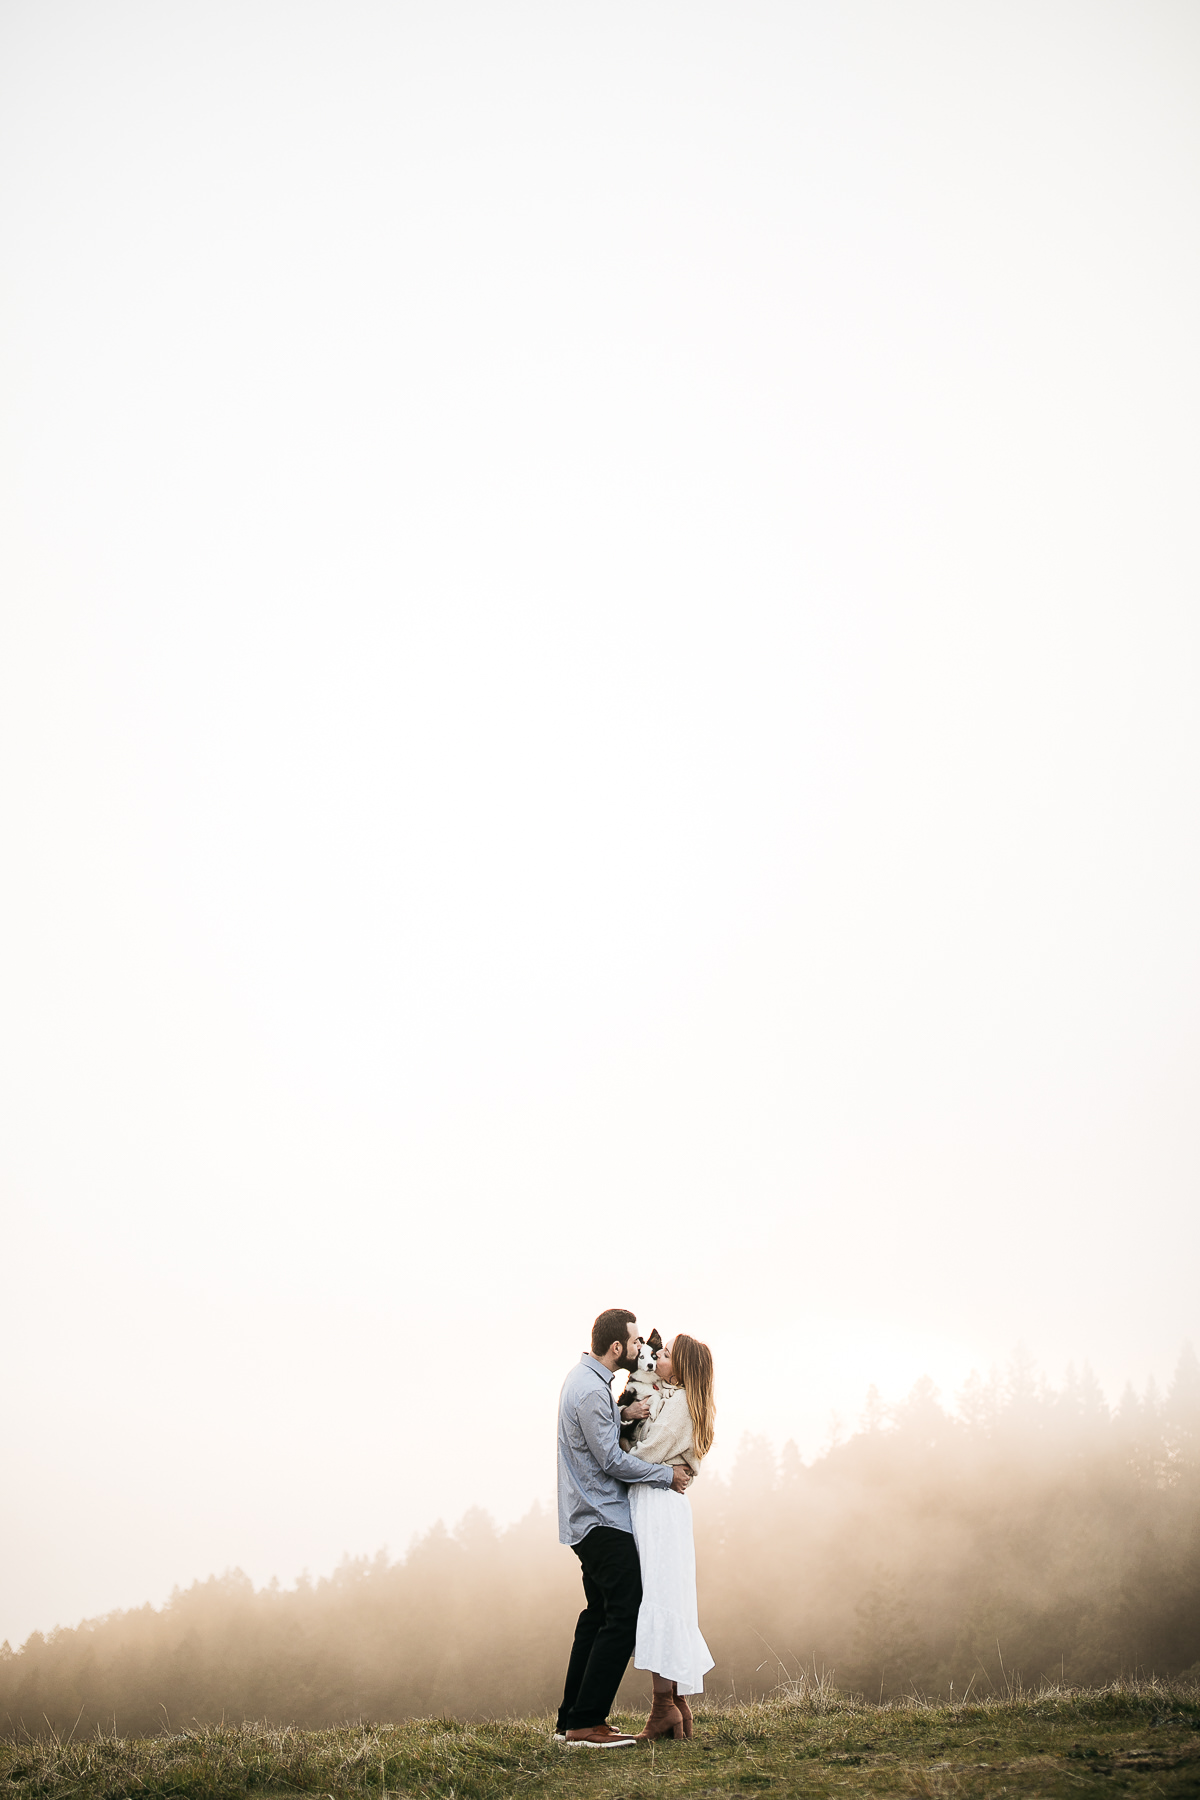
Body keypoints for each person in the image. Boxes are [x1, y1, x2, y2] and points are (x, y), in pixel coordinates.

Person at [556, 1307, 694, 1749]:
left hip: (587, 1517)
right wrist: (666, 1475)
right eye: (635, 1342)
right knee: (625, 1612)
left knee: (597, 1615)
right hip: (602, 1517)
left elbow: (595, 1432)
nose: (641, 1349)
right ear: (617, 1347)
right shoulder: (591, 1391)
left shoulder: (585, 1382)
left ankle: (570, 1720)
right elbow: (612, 1460)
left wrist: (624, 1415)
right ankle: (586, 1722)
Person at [627, 1333, 716, 1742]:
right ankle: (676, 1705)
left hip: (656, 1505)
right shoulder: (678, 1400)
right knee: (668, 1597)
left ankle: (663, 1707)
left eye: (664, 1355)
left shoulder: (679, 1404)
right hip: (665, 1504)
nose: (656, 1357)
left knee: (659, 1597)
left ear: (680, 1369)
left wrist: (612, 1456)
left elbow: (646, 1453)